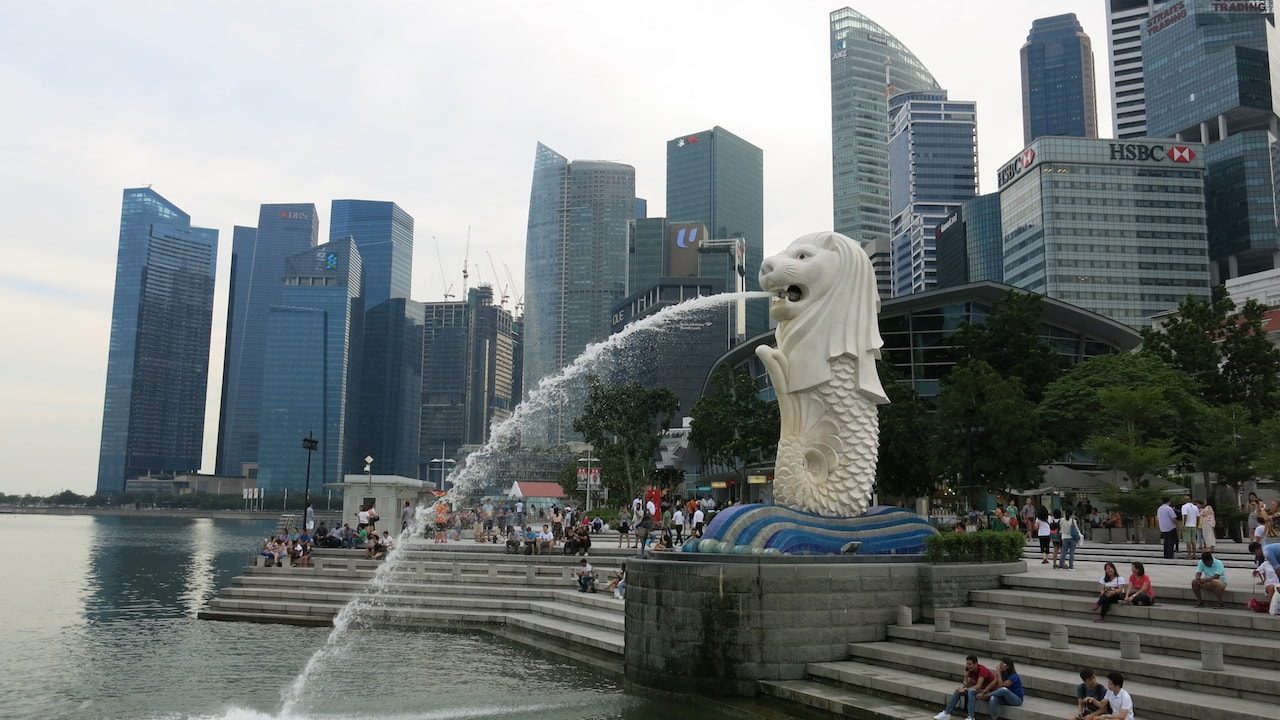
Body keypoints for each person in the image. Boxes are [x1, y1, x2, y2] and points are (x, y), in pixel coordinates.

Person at [932, 654, 995, 720]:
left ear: (975, 663)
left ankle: (971, 717)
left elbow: (978, 686)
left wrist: (965, 689)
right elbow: (966, 685)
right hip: (981, 690)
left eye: (969, 664)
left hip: (989, 691)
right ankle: (946, 713)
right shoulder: (971, 670)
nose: (968, 666)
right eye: (967, 664)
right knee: (958, 690)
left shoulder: (982, 670)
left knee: (971, 691)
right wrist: (966, 674)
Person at [1248, 541, 1280, 616]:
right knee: (1273, 587)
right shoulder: (1268, 552)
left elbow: (1277, 568)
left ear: (1256, 550)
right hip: (1271, 584)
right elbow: (1258, 571)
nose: (1257, 555)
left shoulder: (1267, 552)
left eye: (1255, 553)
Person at [1180, 495, 1199, 560]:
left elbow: (1185, 515)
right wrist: (1197, 524)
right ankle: (1194, 554)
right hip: (1193, 525)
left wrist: (1183, 525)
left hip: (1187, 525)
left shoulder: (1184, 507)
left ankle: (1189, 555)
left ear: (1185, 500)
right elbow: (1198, 517)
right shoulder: (1195, 507)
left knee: (1188, 540)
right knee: (1193, 540)